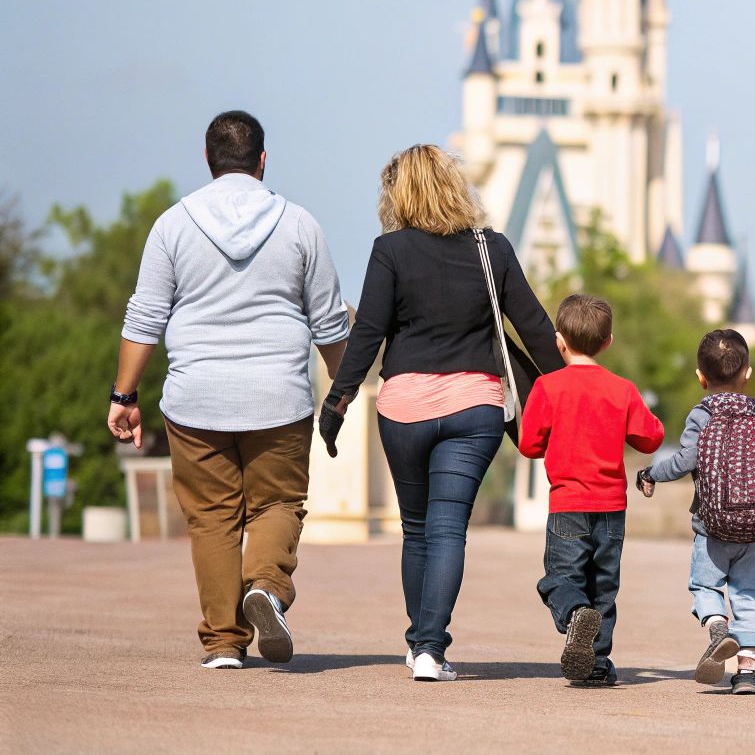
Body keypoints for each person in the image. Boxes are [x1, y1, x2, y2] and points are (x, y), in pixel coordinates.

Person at [110, 110, 350, 669]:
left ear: (208, 159)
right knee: (278, 503)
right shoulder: (300, 225)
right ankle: (265, 586)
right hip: (279, 396)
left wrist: (124, 396)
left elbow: (144, 317)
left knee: (212, 517)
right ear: (263, 161)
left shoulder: (173, 223)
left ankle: (223, 642)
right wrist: (344, 389)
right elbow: (330, 324)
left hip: (195, 398)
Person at [323, 143, 561, 682]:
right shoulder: (490, 249)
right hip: (474, 406)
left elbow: (368, 333)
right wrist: (570, 387)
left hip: (404, 406)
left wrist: (338, 400)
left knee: (416, 529)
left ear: (398, 194)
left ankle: (419, 645)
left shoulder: (390, 251)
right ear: (455, 187)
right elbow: (536, 327)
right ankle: (430, 648)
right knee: (449, 529)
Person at [516, 294, 665, 687]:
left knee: (560, 579)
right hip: (612, 508)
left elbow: (528, 445)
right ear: (608, 341)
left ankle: (574, 615)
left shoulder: (548, 388)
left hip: (568, 504)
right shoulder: (623, 390)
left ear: (559, 341)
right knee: (603, 587)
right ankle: (596, 664)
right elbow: (651, 439)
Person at [638, 329, 755, 696]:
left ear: (700, 377)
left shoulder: (701, 415)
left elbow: (684, 460)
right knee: (749, 593)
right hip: (753, 527)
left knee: (706, 585)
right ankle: (748, 671)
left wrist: (651, 473)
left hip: (712, 526)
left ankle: (718, 627)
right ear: (747, 373)